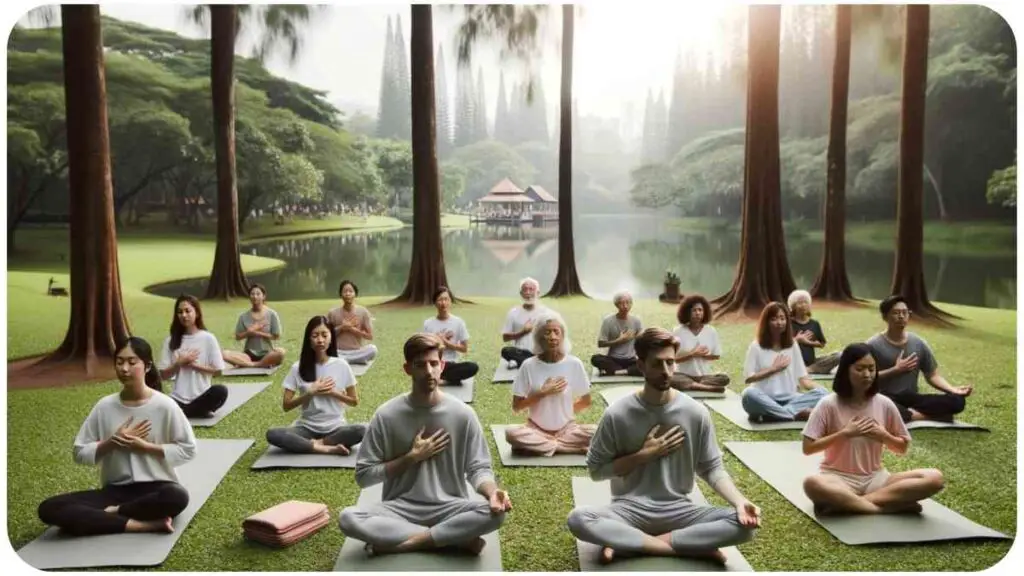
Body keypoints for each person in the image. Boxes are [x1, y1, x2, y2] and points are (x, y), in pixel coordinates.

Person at [567, 327, 760, 565]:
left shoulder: (696, 413)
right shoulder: (617, 414)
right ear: (641, 366)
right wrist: (642, 456)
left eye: (670, 362)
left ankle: (629, 543)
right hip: (628, 512)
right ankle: (684, 547)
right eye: (657, 364)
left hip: (680, 511)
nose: (666, 371)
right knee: (579, 519)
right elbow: (596, 471)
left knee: (745, 526)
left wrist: (740, 502)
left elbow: (711, 468)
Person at [338, 333, 512, 556]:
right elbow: (364, 476)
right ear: (407, 369)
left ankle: (411, 542)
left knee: (497, 513)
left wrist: (492, 492)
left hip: (450, 507)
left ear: (442, 365)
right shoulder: (386, 415)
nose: (429, 371)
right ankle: (454, 539)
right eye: (420, 365)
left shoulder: (463, 414)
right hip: (399, 509)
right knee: (348, 518)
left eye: (434, 364)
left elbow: (479, 468)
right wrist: (411, 458)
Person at [38, 337, 196, 536]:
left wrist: (144, 447)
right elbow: (79, 452)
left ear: (147, 366)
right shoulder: (105, 406)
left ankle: (114, 514)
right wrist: (112, 442)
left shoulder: (165, 406)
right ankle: (143, 525)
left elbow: (188, 449)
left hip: (156, 489)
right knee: (50, 507)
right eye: (119, 362)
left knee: (177, 496)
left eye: (132, 362)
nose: (124, 368)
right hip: (115, 491)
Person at [802, 343, 944, 515]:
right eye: (860, 369)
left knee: (934, 478)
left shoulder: (884, 403)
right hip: (837, 478)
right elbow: (808, 448)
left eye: (871, 369)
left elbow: (902, 448)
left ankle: (851, 504)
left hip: (876, 479)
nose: (867, 374)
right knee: (812, 484)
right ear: (845, 370)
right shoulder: (828, 404)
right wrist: (845, 433)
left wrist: (883, 435)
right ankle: (883, 507)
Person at [266, 316, 366, 455]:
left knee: (361, 430)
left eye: (325, 335)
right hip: (306, 428)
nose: (320, 340)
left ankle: (318, 444)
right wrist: (310, 393)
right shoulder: (297, 367)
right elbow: (286, 405)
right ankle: (325, 448)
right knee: (273, 434)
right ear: (309, 339)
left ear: (331, 338)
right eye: (315, 335)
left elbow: (354, 401)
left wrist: (332, 392)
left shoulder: (341, 365)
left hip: (335, 427)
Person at [866, 295, 971, 423]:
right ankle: (922, 416)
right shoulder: (873, 345)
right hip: (884, 397)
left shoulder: (918, 343)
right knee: (878, 407)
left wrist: (952, 389)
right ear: (885, 316)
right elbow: (866, 379)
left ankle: (907, 415)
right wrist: (895, 370)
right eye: (896, 313)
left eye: (905, 313)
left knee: (957, 401)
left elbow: (932, 375)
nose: (901, 316)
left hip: (911, 398)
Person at [506, 311, 595, 456]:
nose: (553, 337)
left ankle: (538, 446)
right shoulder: (528, 365)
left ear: (562, 336)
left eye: (556, 332)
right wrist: (543, 393)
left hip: (567, 429)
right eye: (547, 333)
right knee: (511, 433)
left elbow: (586, 402)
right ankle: (567, 449)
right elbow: (517, 407)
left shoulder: (574, 363)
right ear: (539, 337)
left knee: (598, 431)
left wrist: (564, 413)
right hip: (536, 429)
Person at [740, 302, 828, 422]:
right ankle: (792, 414)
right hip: (763, 399)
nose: (779, 322)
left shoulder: (792, 345)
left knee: (823, 393)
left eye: (782, 318)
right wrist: (773, 369)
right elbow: (748, 379)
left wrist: (821, 390)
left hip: (791, 399)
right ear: (766, 322)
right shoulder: (756, 346)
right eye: (774, 319)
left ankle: (776, 414)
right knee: (748, 394)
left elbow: (803, 379)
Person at [158, 294, 228, 418]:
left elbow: (218, 372)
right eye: (180, 312)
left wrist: (194, 365)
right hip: (177, 399)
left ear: (197, 313)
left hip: (202, 396)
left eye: (187, 311)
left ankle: (187, 413)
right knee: (158, 400)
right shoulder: (170, 341)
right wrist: (179, 363)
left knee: (221, 391)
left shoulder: (208, 338)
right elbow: (163, 375)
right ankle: (191, 412)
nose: (184, 315)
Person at [671, 295, 729, 392]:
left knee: (724, 378)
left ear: (704, 312)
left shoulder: (711, 331)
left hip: (704, 377)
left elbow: (716, 356)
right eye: (694, 310)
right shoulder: (678, 331)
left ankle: (696, 385)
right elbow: (673, 359)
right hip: (683, 375)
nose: (698, 313)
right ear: (687, 312)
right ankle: (705, 387)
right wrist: (692, 354)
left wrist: (704, 355)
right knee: (670, 378)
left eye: (700, 310)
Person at [422, 286, 479, 385]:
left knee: (473, 367)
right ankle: (444, 377)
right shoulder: (428, 323)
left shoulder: (458, 322)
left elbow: (464, 348)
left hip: (452, 364)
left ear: (450, 302)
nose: (443, 303)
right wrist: (438, 341)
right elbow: (424, 349)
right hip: (435, 364)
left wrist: (446, 342)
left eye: (446, 299)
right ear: (435, 303)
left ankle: (442, 378)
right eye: (440, 300)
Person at [223, 283, 286, 369]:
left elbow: (276, 336)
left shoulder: (272, 314)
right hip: (248, 355)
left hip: (267, 354)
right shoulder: (243, 316)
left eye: (258, 294)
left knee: (281, 352)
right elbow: (238, 337)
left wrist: (257, 333)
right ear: (249, 297)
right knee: (224, 354)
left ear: (263, 296)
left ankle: (252, 364)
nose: (255, 296)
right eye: (252, 294)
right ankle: (257, 364)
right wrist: (248, 332)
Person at [590, 290, 643, 377]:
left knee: (648, 365)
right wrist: (619, 340)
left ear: (631, 304)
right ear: (616, 305)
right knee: (595, 358)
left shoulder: (636, 321)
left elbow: (641, 340)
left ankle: (616, 372)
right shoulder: (608, 321)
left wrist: (640, 336)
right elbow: (601, 343)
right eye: (622, 303)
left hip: (631, 359)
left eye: (628, 303)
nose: (625, 306)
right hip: (614, 359)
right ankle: (627, 371)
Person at [788, 290, 840, 375]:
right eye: (799, 303)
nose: (803, 305)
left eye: (805, 302)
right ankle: (804, 369)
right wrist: (796, 340)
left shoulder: (814, 324)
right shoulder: (788, 323)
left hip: (812, 362)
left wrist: (808, 342)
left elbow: (821, 344)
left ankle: (809, 369)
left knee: (839, 355)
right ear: (793, 306)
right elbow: (780, 345)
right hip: (792, 362)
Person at [500, 277, 548, 368]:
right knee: (505, 351)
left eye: (531, 289)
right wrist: (523, 332)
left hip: (540, 352)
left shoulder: (545, 313)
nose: (528, 293)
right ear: (521, 294)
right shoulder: (513, 312)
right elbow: (505, 338)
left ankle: (520, 362)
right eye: (525, 290)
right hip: (520, 352)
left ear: (538, 293)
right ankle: (528, 362)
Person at [327, 280, 378, 365]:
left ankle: (344, 361)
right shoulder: (333, 313)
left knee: (373, 349)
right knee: (326, 350)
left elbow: (370, 336)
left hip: (357, 352)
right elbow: (327, 336)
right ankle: (348, 360)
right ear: (341, 295)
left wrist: (352, 329)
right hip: (339, 351)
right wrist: (342, 327)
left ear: (355, 294)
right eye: (345, 291)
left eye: (350, 291)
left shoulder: (363, 312)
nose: (347, 294)